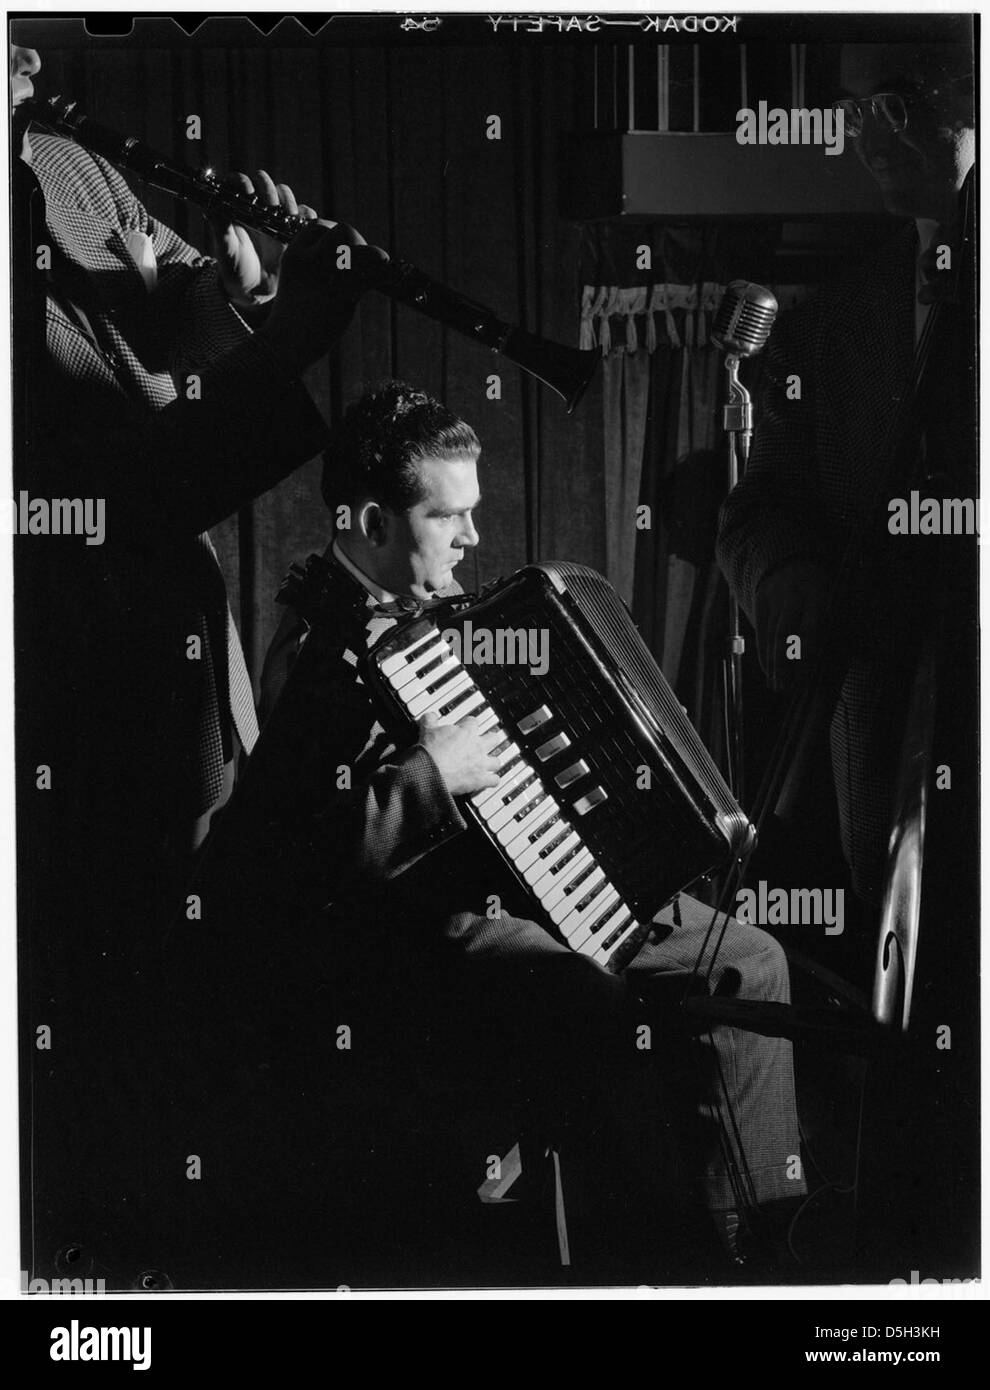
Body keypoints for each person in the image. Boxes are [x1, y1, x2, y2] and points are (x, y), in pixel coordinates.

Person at [191, 382, 807, 1281]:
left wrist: (572, 789)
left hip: (525, 871)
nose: (475, 539)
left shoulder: (440, 617)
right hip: (419, 934)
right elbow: (293, 868)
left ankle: (758, 1237)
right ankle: (652, 1263)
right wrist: (430, 775)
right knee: (589, 1003)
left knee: (750, 960)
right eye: (451, 517)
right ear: (368, 523)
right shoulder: (316, 659)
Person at [11, 41, 384, 1283]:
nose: (28, 51)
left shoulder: (63, 163)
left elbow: (171, 322)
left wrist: (256, 297)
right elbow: (118, 483)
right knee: (93, 1033)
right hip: (69, 689)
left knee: (172, 1000)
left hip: (172, 678)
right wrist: (305, 342)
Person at [716, 38, 976, 909]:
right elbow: (765, 507)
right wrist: (786, 577)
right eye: (856, 107)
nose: (868, 133)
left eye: (895, 103)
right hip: (886, 727)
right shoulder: (847, 308)